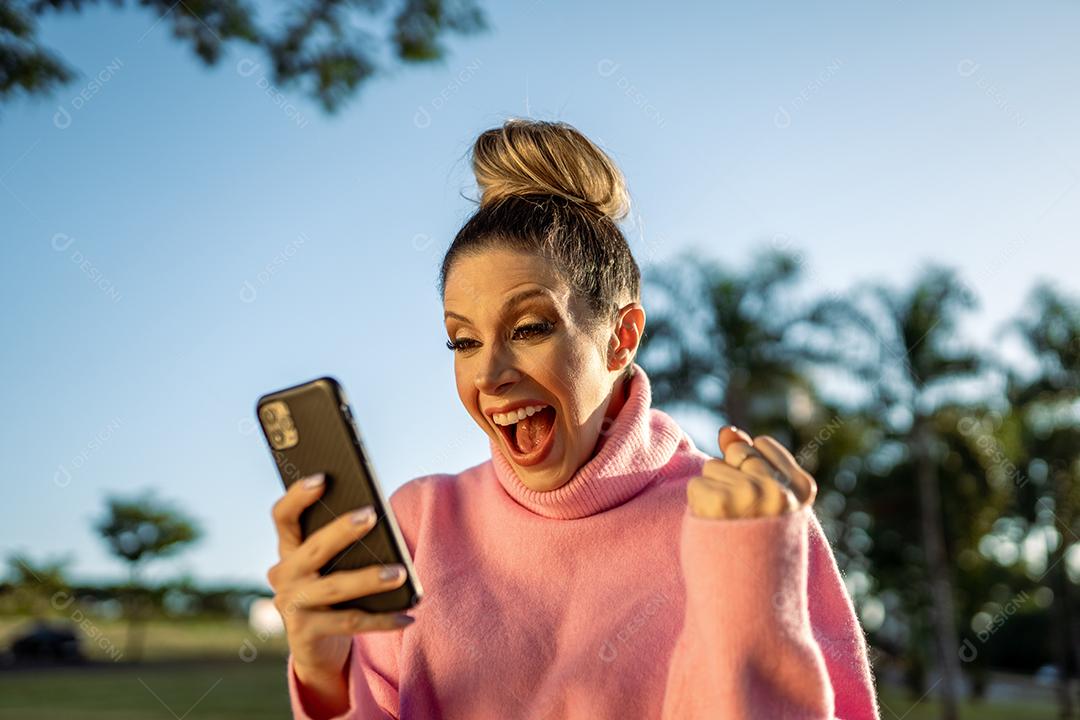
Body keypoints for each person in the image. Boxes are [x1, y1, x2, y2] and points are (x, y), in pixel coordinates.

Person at [266, 118, 880, 719]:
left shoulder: (746, 519)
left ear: (621, 336)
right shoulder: (417, 527)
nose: (488, 375)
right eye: (463, 341)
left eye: (530, 328)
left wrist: (750, 580)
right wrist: (325, 685)